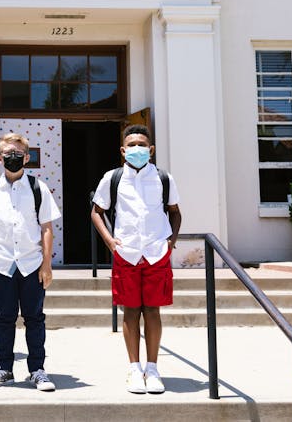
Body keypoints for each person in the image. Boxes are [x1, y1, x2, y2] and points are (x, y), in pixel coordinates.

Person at [90, 124, 182, 394]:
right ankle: (134, 369)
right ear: (122, 150)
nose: (137, 149)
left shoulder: (164, 178)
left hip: (156, 253)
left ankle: (152, 370)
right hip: (126, 252)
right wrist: (109, 241)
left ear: (151, 149)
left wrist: (171, 241)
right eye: (131, 145)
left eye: (142, 145)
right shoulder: (113, 178)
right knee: (130, 311)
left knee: (152, 310)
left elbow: (175, 212)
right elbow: (97, 211)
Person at [0, 133, 61, 392]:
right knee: (4, 318)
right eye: (7, 154)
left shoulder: (37, 188)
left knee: (35, 318)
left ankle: (37, 370)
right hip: (1, 263)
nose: (13, 158)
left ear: (27, 157)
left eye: (18, 154)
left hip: (32, 263)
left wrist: (46, 264)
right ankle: (4, 369)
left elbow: (46, 227)